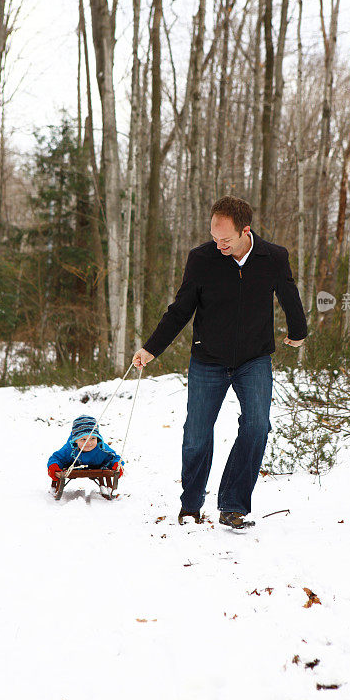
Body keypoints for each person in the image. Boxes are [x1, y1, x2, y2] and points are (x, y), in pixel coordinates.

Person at [133, 196, 307, 529]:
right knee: (196, 435)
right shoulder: (201, 259)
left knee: (257, 427)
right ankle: (191, 504)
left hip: (253, 359)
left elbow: (289, 295)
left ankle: (233, 505)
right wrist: (151, 349)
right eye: (214, 237)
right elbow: (181, 309)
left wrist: (298, 331)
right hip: (208, 359)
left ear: (246, 231)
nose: (219, 244)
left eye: (225, 239)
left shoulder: (273, 257)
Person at [47, 415, 124, 487]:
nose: (89, 443)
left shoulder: (102, 448)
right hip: (73, 466)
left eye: (93, 438)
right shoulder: (70, 449)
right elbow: (56, 458)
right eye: (83, 439)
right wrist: (54, 466)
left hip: (97, 466)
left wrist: (117, 464)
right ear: (75, 440)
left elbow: (114, 458)